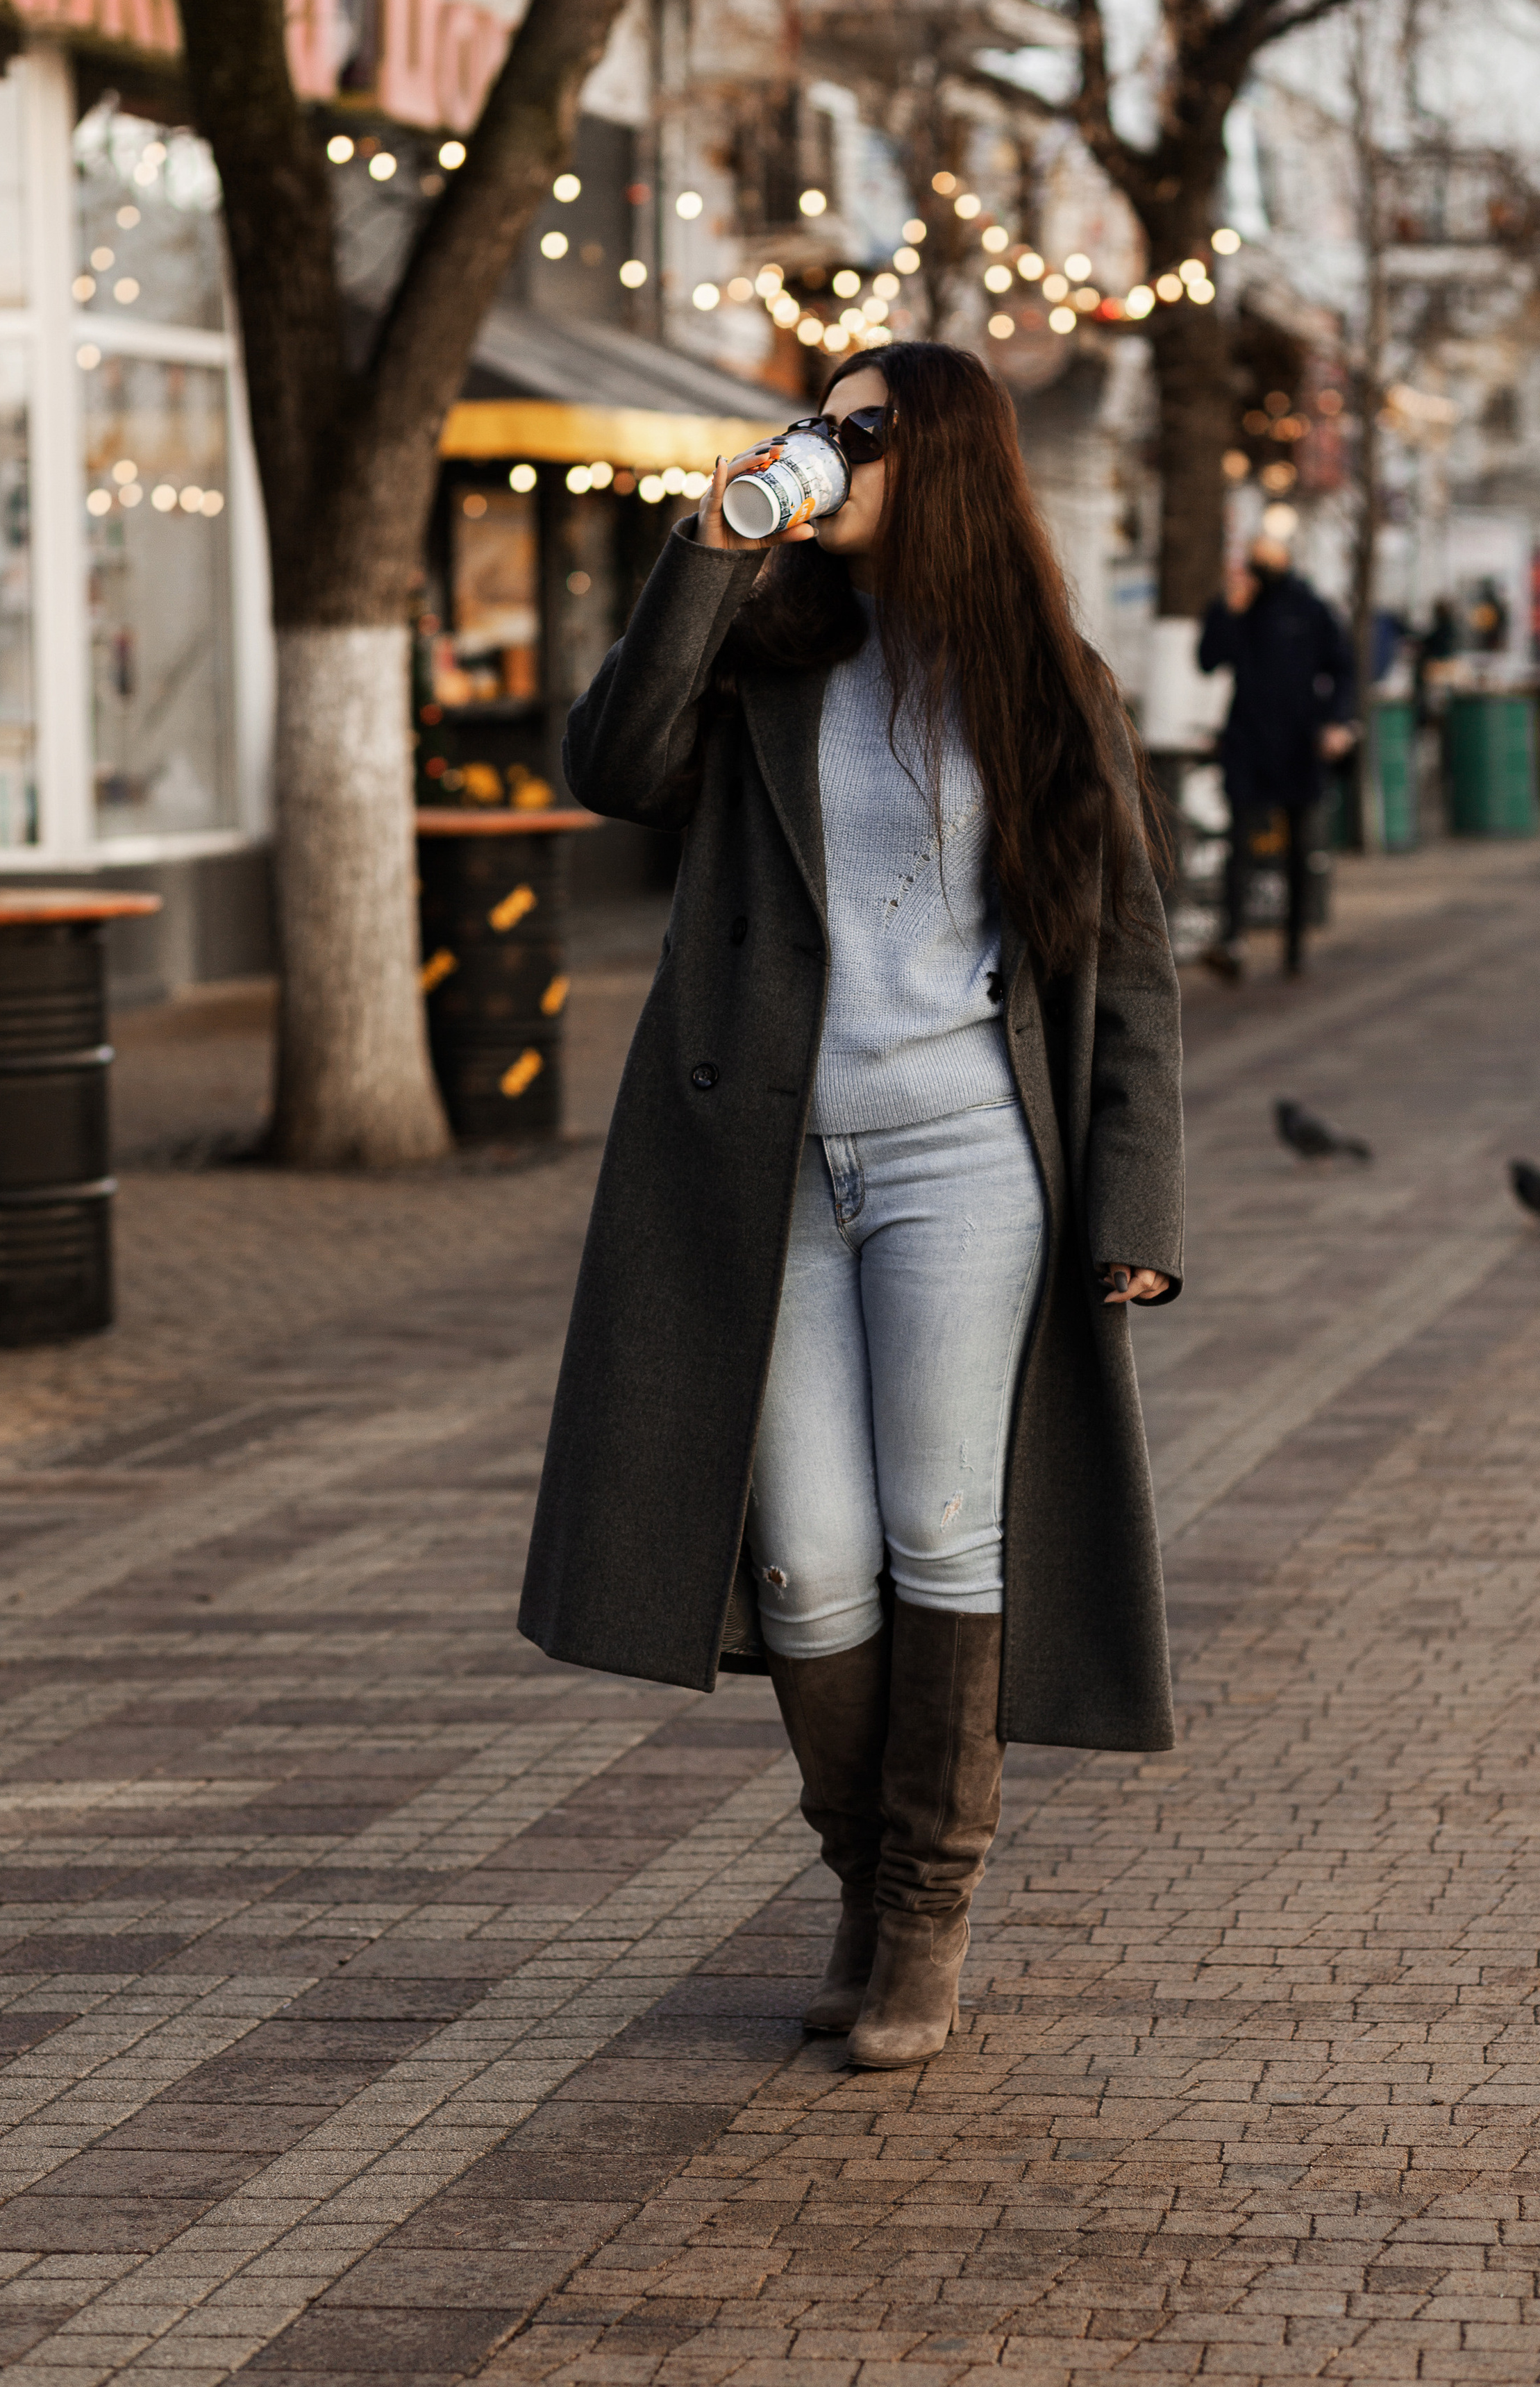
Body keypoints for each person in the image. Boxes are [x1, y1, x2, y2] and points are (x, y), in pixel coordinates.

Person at [518, 343, 1187, 2069]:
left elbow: (1124, 958)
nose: (825, 448)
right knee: (808, 1560)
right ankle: (861, 1881)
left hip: (966, 1156)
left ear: (945, 457)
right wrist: (712, 546)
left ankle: (921, 1919)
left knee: (939, 1524)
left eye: (859, 430)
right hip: (763, 1169)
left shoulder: (1047, 683)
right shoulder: (761, 653)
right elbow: (611, 766)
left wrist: (1131, 1197)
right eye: (817, 420)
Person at [1197, 537, 1356, 980]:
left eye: (1269, 559)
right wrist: (1229, 611)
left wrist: (1338, 722)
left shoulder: (1310, 609)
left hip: (1299, 744)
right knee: (1240, 844)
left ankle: (1294, 947)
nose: (1261, 567)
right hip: (1248, 741)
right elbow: (1208, 659)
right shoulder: (1240, 606)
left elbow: (1342, 668)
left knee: (1299, 847)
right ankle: (1233, 940)